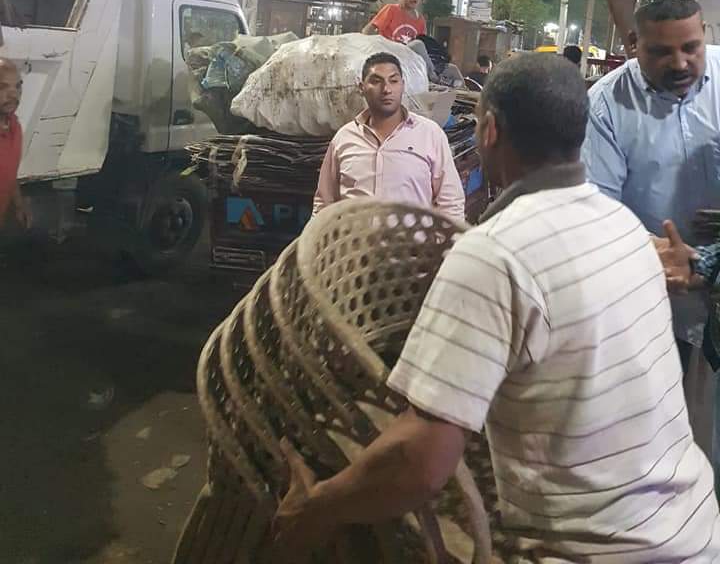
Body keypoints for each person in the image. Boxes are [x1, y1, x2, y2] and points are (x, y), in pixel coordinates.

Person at [276, 54, 720, 563]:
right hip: (695, 533)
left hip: (595, 552)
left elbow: (420, 463)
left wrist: (317, 507)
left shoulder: (495, 253)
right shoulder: (624, 226)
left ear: (489, 130)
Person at [581, 0, 720, 361]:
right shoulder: (605, 106)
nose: (680, 63)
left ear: (704, 32)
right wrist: (651, 250)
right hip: (653, 305)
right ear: (633, 43)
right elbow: (595, 212)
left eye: (691, 47)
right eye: (661, 51)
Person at [313, 52, 465, 223]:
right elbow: (324, 204)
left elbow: (451, 203)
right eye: (376, 81)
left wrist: (446, 239)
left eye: (393, 81)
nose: (386, 89)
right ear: (361, 87)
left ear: (403, 85)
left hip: (411, 240)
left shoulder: (430, 134)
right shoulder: (345, 138)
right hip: (357, 240)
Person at [0, 58, 30, 234]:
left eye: (18, 86)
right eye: (2, 87)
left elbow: (9, 174)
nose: (14, 95)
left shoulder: (14, 126)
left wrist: (19, 204)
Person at [361, 0, 426, 44]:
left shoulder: (421, 21)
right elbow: (367, 31)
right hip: (387, 49)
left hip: (407, 51)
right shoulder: (391, 10)